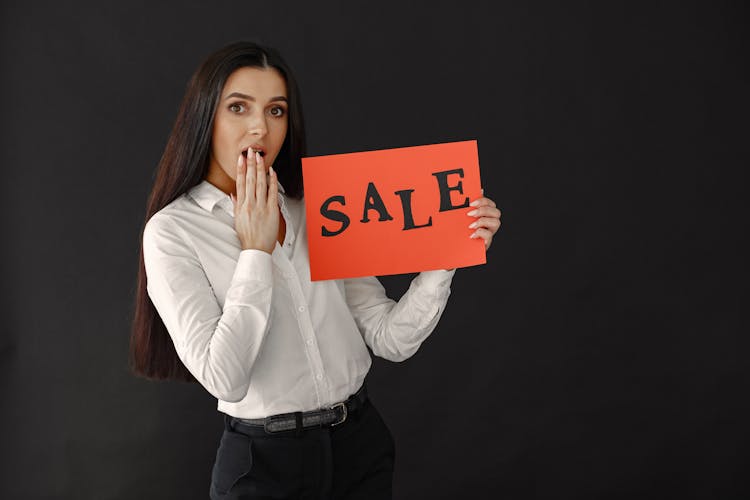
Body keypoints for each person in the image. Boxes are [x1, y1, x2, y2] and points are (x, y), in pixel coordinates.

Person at [129, 41, 502, 500]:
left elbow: (390, 338)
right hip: (264, 466)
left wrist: (446, 256)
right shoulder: (172, 232)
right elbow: (224, 377)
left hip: (358, 447)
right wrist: (256, 251)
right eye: (239, 107)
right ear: (205, 116)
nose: (258, 129)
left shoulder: (320, 209)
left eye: (276, 111)